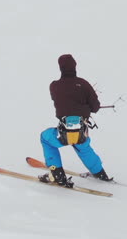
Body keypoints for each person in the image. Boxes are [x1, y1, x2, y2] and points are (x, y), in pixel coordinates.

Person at [39, 54, 112, 187]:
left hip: (63, 133)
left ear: (60, 68)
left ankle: (57, 175)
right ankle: (100, 173)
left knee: (45, 138)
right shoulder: (83, 84)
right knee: (84, 148)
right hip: (81, 132)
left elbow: (61, 101)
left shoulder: (54, 86)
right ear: (75, 66)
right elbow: (95, 107)